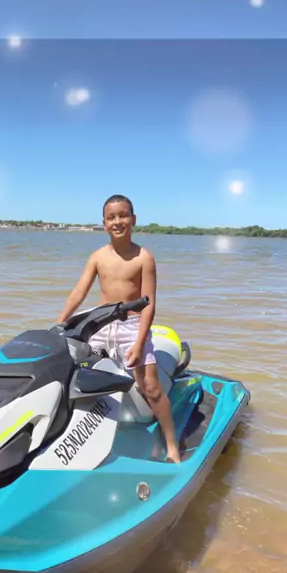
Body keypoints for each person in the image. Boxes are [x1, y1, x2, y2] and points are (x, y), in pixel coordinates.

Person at [57, 194, 181, 463]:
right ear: (104, 223)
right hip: (102, 324)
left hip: (133, 327)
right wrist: (59, 324)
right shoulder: (97, 257)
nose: (117, 221)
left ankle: (172, 445)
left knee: (150, 387)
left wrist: (139, 343)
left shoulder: (143, 258)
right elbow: (78, 293)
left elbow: (149, 304)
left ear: (133, 219)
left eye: (123, 216)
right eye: (111, 217)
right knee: (73, 374)